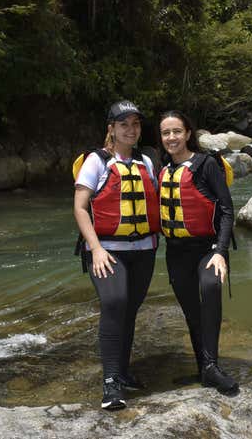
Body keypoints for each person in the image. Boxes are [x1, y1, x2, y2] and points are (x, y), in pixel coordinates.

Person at [73, 100, 161, 410]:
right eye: (124, 124)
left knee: (130, 308)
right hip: (106, 251)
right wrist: (95, 248)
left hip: (144, 251)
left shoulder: (147, 162)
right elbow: (80, 207)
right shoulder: (96, 161)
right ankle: (111, 383)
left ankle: (123, 372)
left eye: (135, 124)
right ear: (111, 128)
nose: (131, 129)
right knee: (114, 303)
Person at [157, 110, 238, 394]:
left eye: (176, 131)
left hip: (208, 249)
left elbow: (227, 211)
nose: (171, 137)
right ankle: (204, 369)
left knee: (211, 288)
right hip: (177, 251)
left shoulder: (206, 165)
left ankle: (212, 366)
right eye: (166, 133)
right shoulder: (164, 170)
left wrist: (221, 251)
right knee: (191, 309)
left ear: (188, 133)